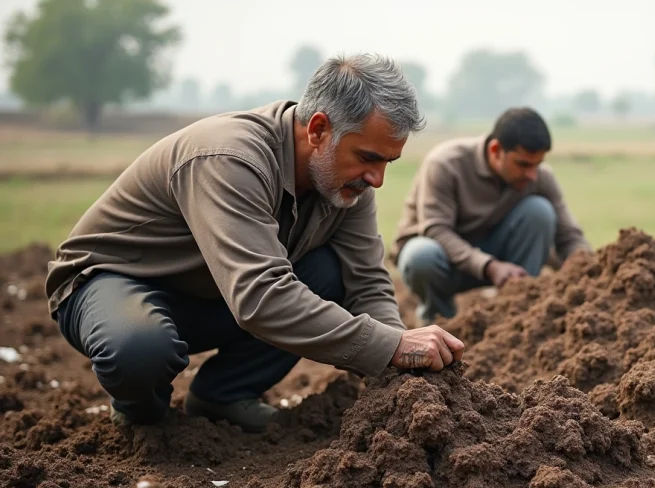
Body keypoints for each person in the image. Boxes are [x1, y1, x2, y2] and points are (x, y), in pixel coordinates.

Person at [44, 55, 465, 433]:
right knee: (140, 349)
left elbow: (367, 282)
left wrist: (401, 370)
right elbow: (261, 297)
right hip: (112, 284)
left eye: (387, 163)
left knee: (327, 272)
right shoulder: (231, 158)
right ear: (319, 129)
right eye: (369, 157)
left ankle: (222, 396)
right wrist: (390, 346)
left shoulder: (345, 184)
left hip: (215, 294)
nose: (377, 179)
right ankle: (143, 417)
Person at [391, 107, 593, 325]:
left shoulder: (539, 177)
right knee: (420, 255)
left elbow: (569, 234)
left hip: (499, 262)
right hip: (442, 262)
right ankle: (440, 322)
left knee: (540, 211)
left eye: (538, 164)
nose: (532, 174)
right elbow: (436, 230)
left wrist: (585, 265)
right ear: (496, 150)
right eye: (523, 164)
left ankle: (519, 313)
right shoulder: (445, 164)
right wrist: (490, 266)